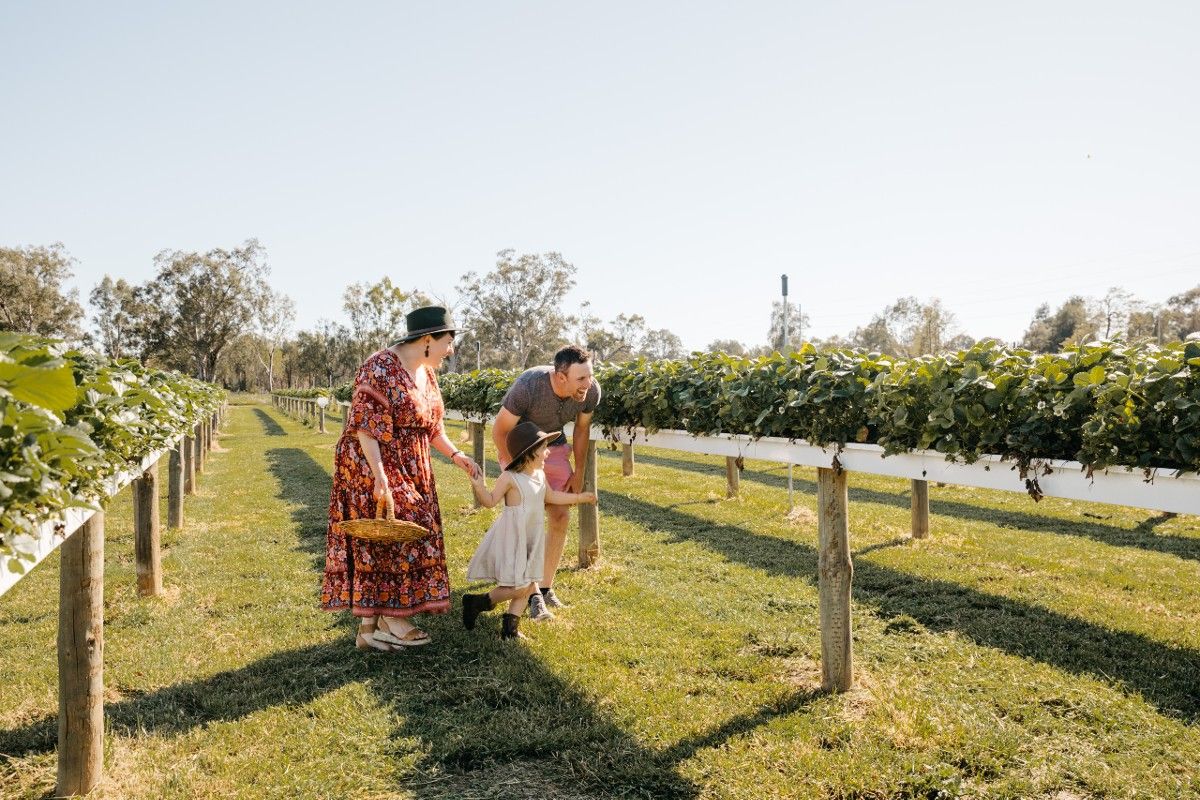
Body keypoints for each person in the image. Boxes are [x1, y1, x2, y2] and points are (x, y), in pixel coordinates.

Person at [320, 306, 480, 652]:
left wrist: (457, 455)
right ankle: (393, 617)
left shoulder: (427, 372)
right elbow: (365, 426)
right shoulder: (378, 367)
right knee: (400, 528)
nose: (451, 350)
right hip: (370, 460)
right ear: (426, 340)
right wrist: (381, 479)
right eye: (448, 341)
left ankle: (368, 630)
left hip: (414, 462)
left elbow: (432, 426)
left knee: (384, 535)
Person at [491, 345, 600, 621]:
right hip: (518, 450)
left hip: (554, 447)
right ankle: (531, 594)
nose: (588, 384)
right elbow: (500, 430)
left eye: (589, 376)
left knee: (560, 516)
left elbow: (582, 429)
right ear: (560, 376)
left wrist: (579, 472)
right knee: (529, 520)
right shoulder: (529, 385)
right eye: (581, 379)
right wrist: (515, 470)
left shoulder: (591, 391)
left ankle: (545, 588)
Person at [462, 422, 597, 639]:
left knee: (529, 581)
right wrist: (479, 485)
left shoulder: (540, 477)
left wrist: (580, 498)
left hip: (532, 538)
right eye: (544, 448)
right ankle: (478, 602)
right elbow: (489, 501)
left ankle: (510, 631)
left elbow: (552, 497)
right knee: (521, 587)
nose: (548, 452)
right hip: (513, 538)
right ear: (530, 452)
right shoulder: (510, 478)